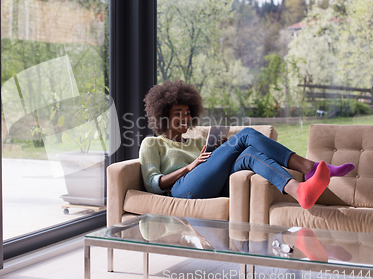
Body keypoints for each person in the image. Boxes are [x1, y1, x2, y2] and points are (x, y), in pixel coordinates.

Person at [139, 80, 355, 209]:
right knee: (246, 134)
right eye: (179, 114)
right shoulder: (152, 143)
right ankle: (310, 167)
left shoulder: (196, 142)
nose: (185, 119)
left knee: (249, 154)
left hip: (210, 186)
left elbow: (210, 168)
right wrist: (189, 166)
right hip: (180, 190)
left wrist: (221, 150)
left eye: (188, 114)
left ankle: (298, 191)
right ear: (163, 115)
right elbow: (152, 184)